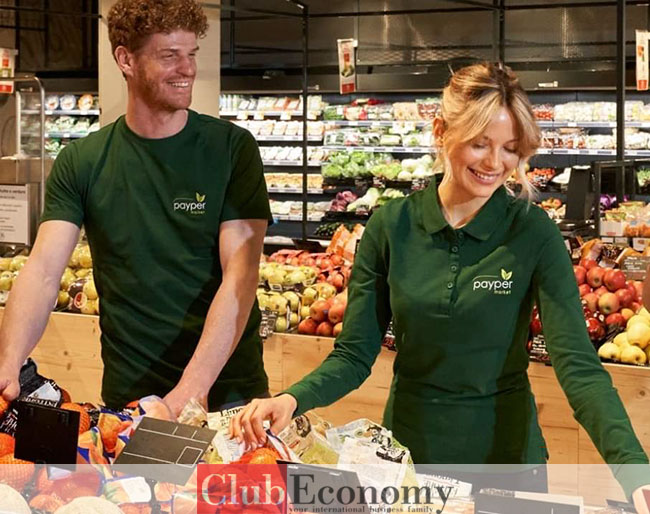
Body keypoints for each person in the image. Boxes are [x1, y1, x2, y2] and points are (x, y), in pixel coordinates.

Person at [231, 62, 650, 510]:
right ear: (441, 131)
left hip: (508, 464)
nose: (495, 163)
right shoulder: (392, 226)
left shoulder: (532, 232)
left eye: (510, 149)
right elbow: (354, 354)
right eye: (479, 143)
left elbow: (578, 367)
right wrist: (292, 399)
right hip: (410, 461)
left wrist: (636, 474)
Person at [0, 0, 272, 416]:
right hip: (130, 397)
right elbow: (42, 272)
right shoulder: (82, 161)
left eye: (191, 53)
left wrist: (185, 396)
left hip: (228, 396)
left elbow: (241, 276)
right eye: (170, 55)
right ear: (126, 60)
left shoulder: (231, 149)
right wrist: (9, 361)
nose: (187, 69)